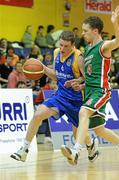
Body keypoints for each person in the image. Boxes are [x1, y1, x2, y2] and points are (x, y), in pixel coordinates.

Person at [61, 6, 119, 166]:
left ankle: (76, 151)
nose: (82, 33)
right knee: (99, 129)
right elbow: (89, 74)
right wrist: (80, 83)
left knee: (83, 112)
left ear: (95, 31)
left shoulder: (103, 46)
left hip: (101, 91)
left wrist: (115, 23)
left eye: (85, 30)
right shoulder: (87, 49)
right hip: (89, 91)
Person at [10, 31, 99, 162]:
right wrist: (43, 68)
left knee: (78, 133)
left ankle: (91, 145)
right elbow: (57, 76)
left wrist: (79, 82)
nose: (62, 48)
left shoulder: (79, 58)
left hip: (77, 101)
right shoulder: (57, 52)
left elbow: (90, 80)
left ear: (73, 45)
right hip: (60, 96)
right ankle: (24, 150)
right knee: (38, 114)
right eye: (61, 45)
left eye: (66, 46)